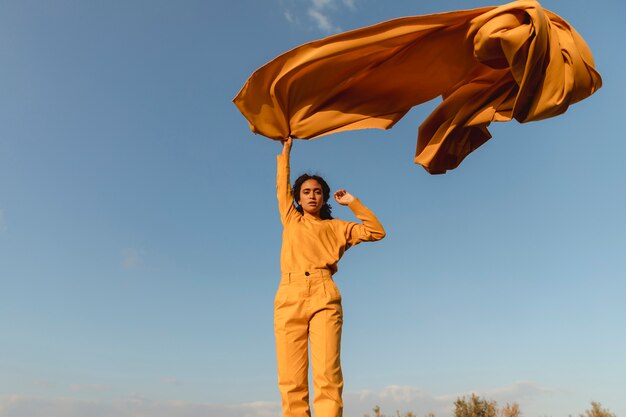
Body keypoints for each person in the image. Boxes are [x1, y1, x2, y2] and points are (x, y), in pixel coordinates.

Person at [274, 137, 386, 417]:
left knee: (327, 375)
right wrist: (285, 152)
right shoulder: (291, 218)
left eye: (317, 191)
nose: (312, 195)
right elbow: (281, 188)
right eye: (306, 191)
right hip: (289, 295)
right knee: (291, 380)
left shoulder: (338, 227)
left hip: (324, 294)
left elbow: (376, 231)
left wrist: (353, 203)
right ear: (297, 198)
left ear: (324, 197)